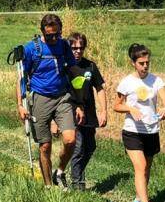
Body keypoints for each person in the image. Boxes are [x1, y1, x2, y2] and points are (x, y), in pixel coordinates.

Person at [14, 13, 82, 188]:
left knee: (70, 139)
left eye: (57, 35)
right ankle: (48, 186)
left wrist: (80, 99)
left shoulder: (64, 46)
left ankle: (59, 171)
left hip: (62, 97)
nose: (53, 38)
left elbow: (72, 68)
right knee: (45, 146)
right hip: (40, 98)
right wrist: (20, 105)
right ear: (42, 32)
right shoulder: (32, 49)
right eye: (49, 35)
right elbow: (21, 78)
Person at [114, 43, 165, 202]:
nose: (145, 66)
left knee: (146, 168)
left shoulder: (156, 80)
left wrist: (163, 109)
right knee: (140, 166)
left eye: (147, 62)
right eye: (141, 63)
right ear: (133, 63)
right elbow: (117, 105)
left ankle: (138, 201)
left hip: (151, 130)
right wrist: (130, 109)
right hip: (132, 131)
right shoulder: (127, 82)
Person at [66, 32, 107, 190]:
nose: (77, 51)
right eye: (74, 48)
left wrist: (103, 111)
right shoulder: (65, 67)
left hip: (89, 113)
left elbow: (100, 88)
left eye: (81, 48)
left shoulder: (90, 66)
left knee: (90, 147)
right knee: (79, 146)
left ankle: (72, 173)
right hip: (71, 112)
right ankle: (78, 184)